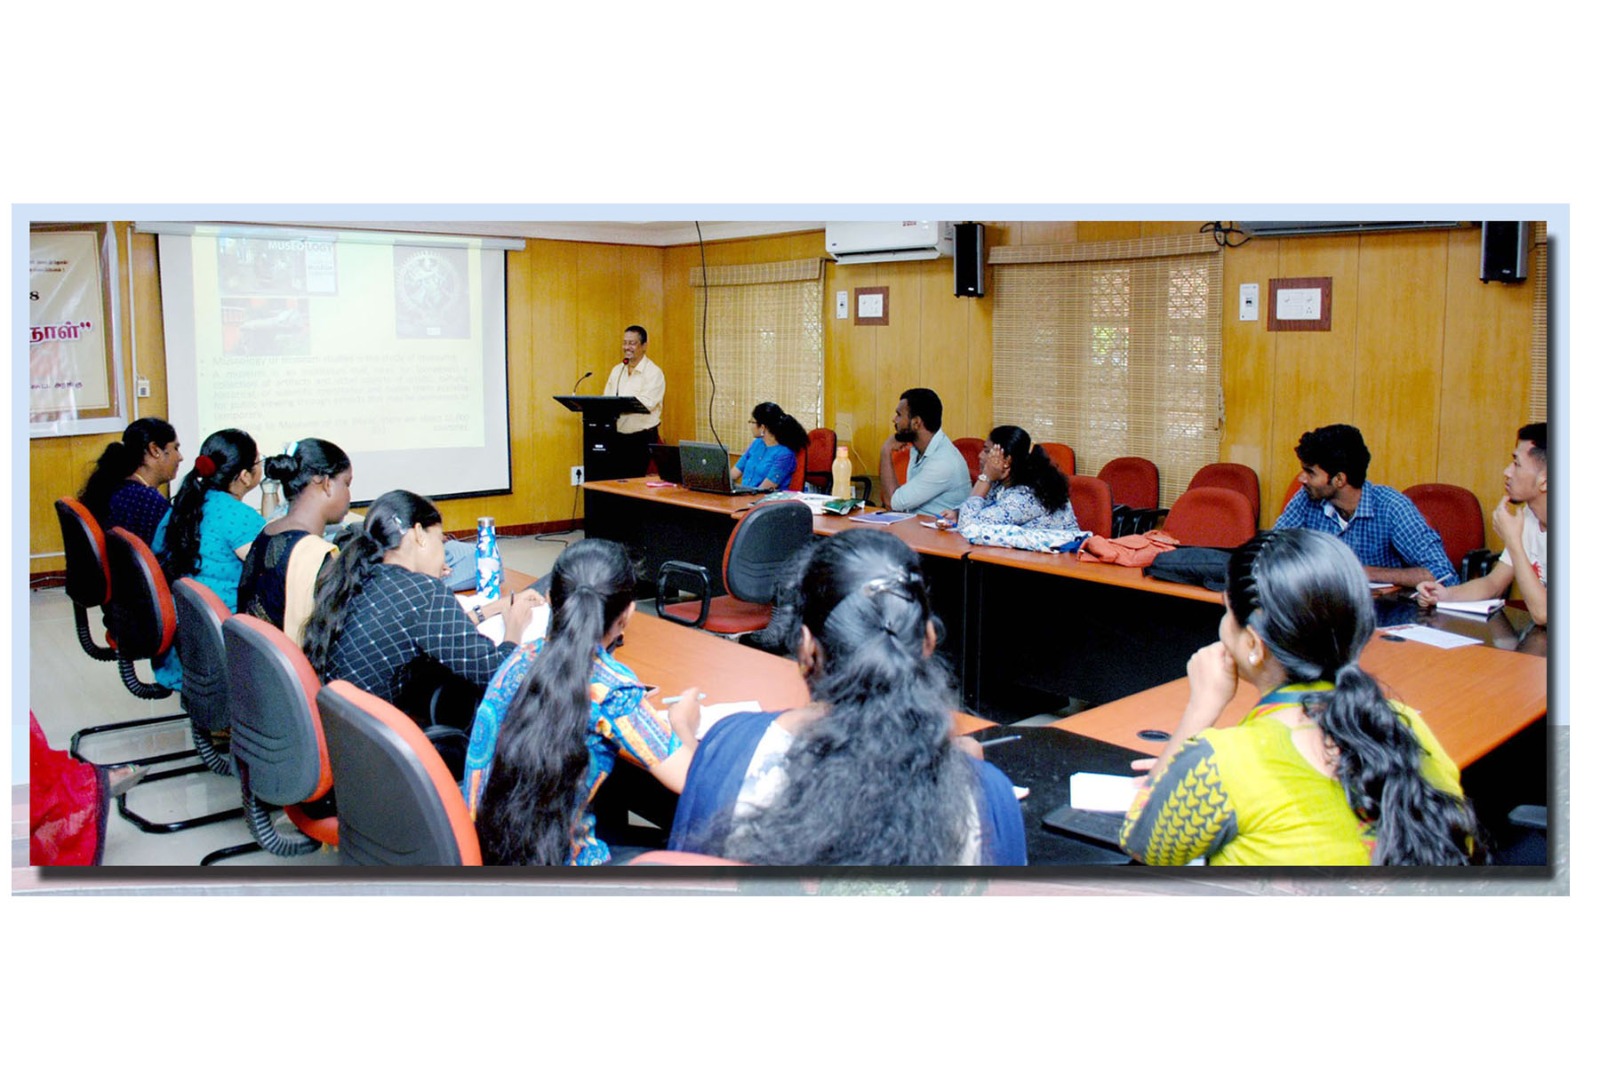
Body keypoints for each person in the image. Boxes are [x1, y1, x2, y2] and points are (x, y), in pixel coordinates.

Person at [669, 529, 1027, 866]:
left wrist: (689, 737)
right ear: (928, 641)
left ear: (806, 650)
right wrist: (972, 771)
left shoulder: (731, 746)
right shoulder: (987, 796)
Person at [1120, 529, 1477, 866]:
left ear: (1254, 646)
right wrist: (1188, 771)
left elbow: (1143, 844)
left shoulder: (1227, 760)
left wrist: (1201, 708)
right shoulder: (1404, 723)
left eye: (1228, 612)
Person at [468, 539, 703, 865]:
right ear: (628, 614)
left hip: (482, 854)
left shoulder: (521, 657)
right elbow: (691, 779)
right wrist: (683, 724)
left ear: (551, 600)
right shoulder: (613, 689)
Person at [301, 489, 540, 731]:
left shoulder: (360, 575)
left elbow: (423, 628)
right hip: (385, 744)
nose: (445, 563)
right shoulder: (422, 592)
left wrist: (491, 609)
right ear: (418, 534)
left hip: (345, 733)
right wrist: (514, 628)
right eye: (440, 540)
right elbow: (497, 675)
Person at [148, 429, 267, 690]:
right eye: (258, 462)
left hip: (183, 646)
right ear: (245, 476)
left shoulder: (183, 508)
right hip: (221, 647)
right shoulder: (237, 517)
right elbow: (273, 568)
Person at [1274, 423, 1455, 588]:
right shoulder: (1307, 497)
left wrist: (1364, 572)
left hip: (1383, 614)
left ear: (1339, 479)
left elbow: (1443, 575)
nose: (1301, 478)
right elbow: (1271, 551)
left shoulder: (1392, 507)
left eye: (1310, 472)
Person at [1417, 422, 1548, 626]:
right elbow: (1493, 583)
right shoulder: (1530, 517)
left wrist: (1513, 540)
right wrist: (1446, 595)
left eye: (1517, 463)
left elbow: (1544, 614)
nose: (1507, 471)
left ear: (1545, 480)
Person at [238, 438, 353, 643]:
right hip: (292, 670)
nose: (349, 495)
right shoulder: (315, 555)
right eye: (346, 484)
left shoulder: (268, 530)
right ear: (326, 483)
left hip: (256, 666)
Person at [940, 425, 1082, 543]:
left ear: (1007, 461)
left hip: (1058, 567)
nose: (980, 456)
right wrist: (957, 513)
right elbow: (980, 512)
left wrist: (986, 477)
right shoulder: (1001, 484)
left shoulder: (1027, 495)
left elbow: (969, 529)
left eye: (987, 451)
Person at [77, 416, 183, 546]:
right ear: (155, 450)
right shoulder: (147, 500)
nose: (180, 457)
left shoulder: (119, 488)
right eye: (175, 448)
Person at [876, 387, 972, 516]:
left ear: (916, 423)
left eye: (899, 415)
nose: (894, 420)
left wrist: (885, 450)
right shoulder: (917, 448)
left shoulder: (943, 462)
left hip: (939, 533)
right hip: (916, 526)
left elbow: (891, 503)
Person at [601, 324, 665, 477]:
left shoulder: (654, 373)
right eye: (625, 342)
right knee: (616, 484)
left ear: (644, 346)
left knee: (635, 488)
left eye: (632, 343)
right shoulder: (617, 370)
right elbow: (606, 399)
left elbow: (646, 404)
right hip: (617, 437)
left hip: (641, 439)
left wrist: (620, 404)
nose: (627, 347)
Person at [731, 401, 810, 490]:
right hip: (745, 496)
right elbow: (734, 473)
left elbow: (764, 489)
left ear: (762, 427)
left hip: (764, 500)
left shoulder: (785, 454)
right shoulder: (756, 444)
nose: (750, 426)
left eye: (752, 422)